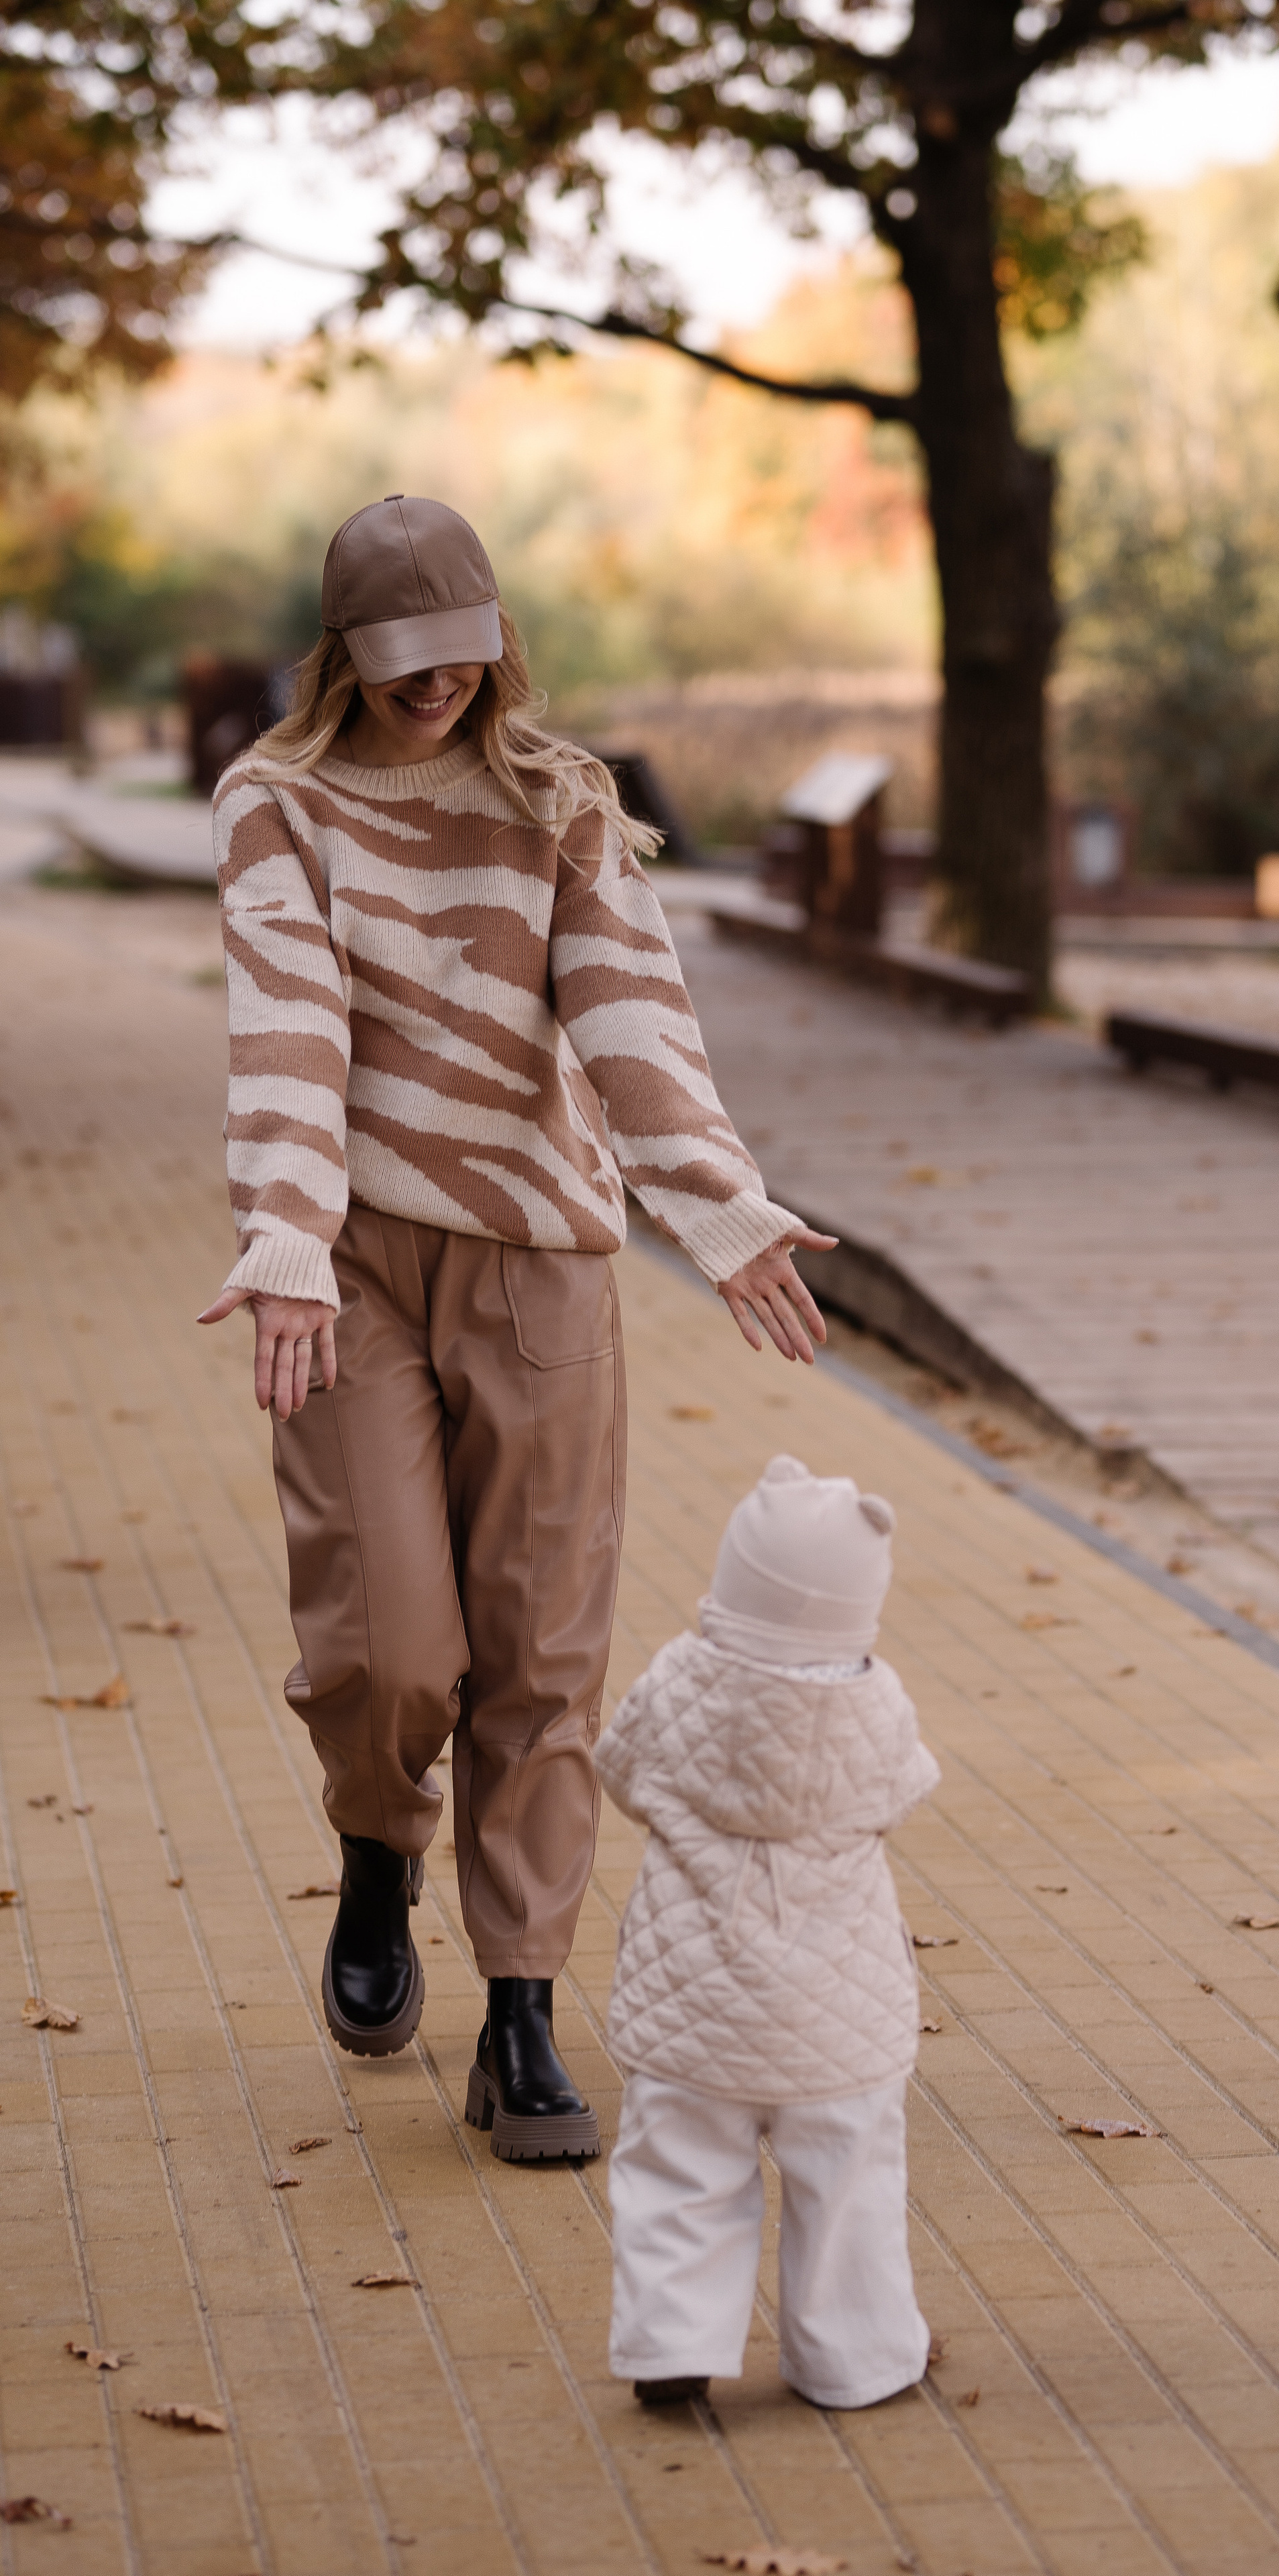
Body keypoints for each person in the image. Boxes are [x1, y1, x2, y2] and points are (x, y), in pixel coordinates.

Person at [197, 493, 834, 2159]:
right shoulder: (279, 808)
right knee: (392, 1649)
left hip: (541, 1270)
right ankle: (376, 1846)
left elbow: (630, 1013)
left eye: (459, 657)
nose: (434, 691)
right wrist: (280, 1234)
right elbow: (288, 1025)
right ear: (345, 655)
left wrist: (721, 1206)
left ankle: (524, 2015)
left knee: (542, 1660)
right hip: (350, 1272)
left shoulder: (559, 802)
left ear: (496, 640)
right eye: (400, 664)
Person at [595, 1453, 939, 2411]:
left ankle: (670, 2348)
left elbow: (618, 1772)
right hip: (837, 2016)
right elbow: (908, 1790)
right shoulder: (876, 1706)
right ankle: (855, 2361)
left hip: (692, 2008)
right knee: (851, 2187)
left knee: (678, 2173)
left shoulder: (676, 1680)